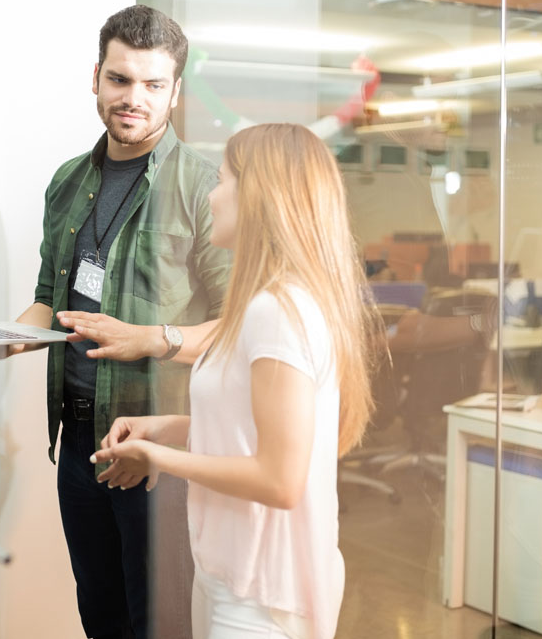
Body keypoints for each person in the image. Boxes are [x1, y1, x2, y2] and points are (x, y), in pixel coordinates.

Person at [0, 5, 231, 639]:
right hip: (78, 442)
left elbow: (238, 330)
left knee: (159, 622)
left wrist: (151, 340)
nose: (135, 99)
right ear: (96, 76)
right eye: (121, 80)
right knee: (100, 615)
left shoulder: (206, 188)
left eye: (154, 85)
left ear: (176, 92)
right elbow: (50, 298)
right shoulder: (68, 182)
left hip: (158, 449)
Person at [86, 123, 381, 639]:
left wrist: (156, 459)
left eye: (222, 182)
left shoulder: (278, 312)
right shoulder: (265, 305)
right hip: (231, 575)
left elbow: (280, 481)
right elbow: (247, 428)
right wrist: (167, 427)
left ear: (259, 197)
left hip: (262, 595)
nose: (212, 195)